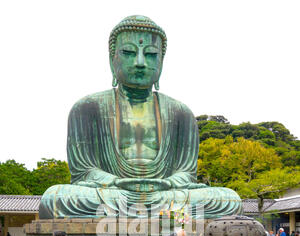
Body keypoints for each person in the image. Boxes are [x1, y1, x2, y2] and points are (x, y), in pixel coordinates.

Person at [39, 15, 242, 220]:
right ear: (112, 59)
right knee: (55, 198)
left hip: (165, 193)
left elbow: (186, 173)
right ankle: (156, 213)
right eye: (128, 52)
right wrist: (117, 182)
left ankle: (149, 211)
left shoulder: (180, 112)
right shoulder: (87, 108)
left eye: (151, 54)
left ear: (161, 62)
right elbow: (84, 172)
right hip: (113, 192)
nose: (140, 63)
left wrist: (168, 183)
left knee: (229, 200)